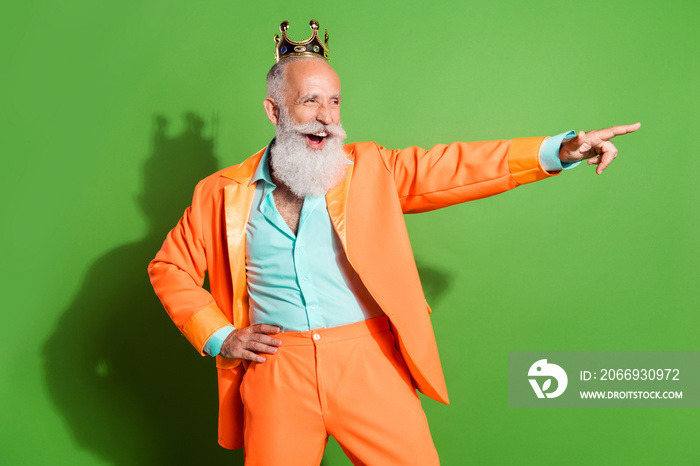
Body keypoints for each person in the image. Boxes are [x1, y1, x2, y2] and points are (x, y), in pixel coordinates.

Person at [148, 20, 640, 465]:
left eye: (335, 101)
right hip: (276, 371)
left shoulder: (370, 170)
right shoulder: (221, 193)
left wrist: (559, 150)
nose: (326, 116)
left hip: (369, 361)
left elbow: (454, 166)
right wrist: (220, 336)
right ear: (274, 109)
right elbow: (170, 267)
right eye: (311, 101)